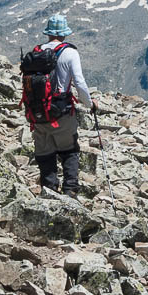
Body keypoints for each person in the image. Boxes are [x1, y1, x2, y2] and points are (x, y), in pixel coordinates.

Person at [29, 14, 95, 196]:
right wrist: (89, 104)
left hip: (37, 112)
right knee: (69, 150)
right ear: (64, 33)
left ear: (48, 33)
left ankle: (49, 190)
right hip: (61, 111)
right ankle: (70, 190)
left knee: (44, 152)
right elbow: (79, 82)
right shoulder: (70, 53)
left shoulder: (37, 51)